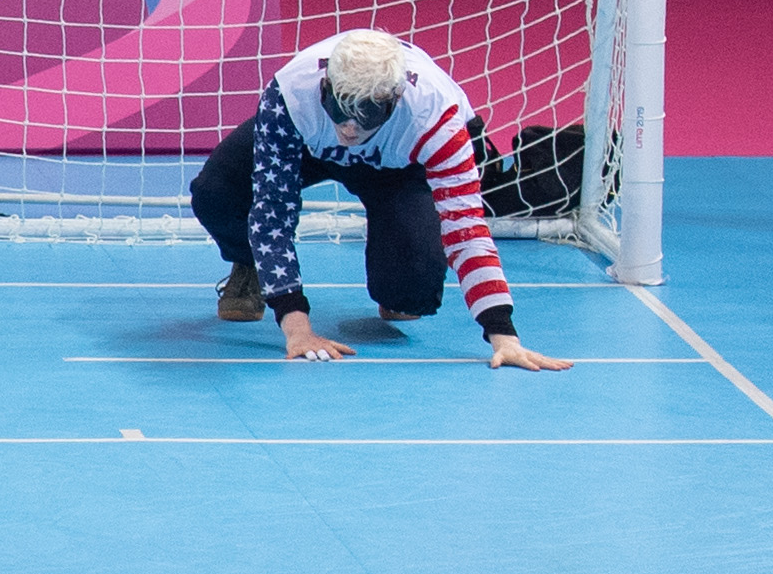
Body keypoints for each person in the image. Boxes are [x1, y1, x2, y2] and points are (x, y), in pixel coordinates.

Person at [194, 27, 570, 370]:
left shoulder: (436, 117)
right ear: (325, 87)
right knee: (216, 193)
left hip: (398, 165)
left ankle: (395, 249)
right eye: (341, 109)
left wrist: (502, 334)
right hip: (311, 145)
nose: (349, 127)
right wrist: (296, 327)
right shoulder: (291, 96)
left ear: (394, 98)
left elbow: (466, 227)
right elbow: (272, 210)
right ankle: (249, 264)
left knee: (411, 294)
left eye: (365, 113)